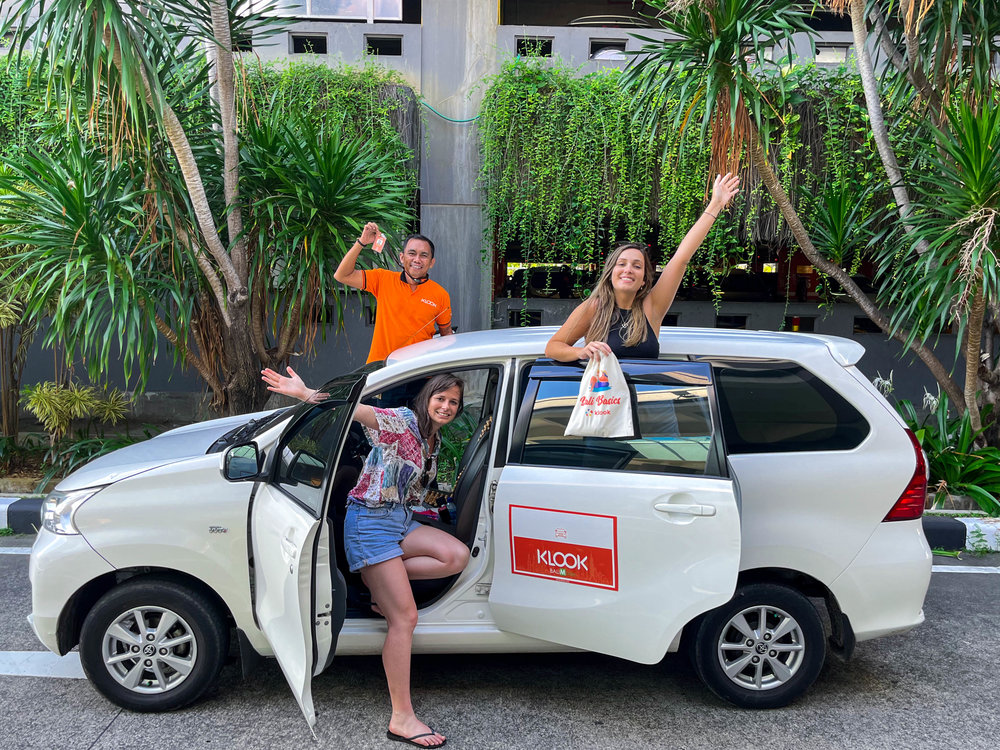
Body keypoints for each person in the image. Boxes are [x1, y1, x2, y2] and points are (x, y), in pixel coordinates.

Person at [260, 366, 469, 749]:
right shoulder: (402, 421)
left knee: (455, 556)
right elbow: (352, 409)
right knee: (404, 619)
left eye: (453, 402)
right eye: (441, 398)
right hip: (369, 523)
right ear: (427, 398)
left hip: (399, 520)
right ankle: (401, 717)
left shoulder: (432, 439)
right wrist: (305, 393)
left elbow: (410, 486)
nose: (446, 406)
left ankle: (382, 585)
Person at [545, 172, 741, 362]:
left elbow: (681, 259)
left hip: (646, 387)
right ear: (610, 273)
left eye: (637, 266)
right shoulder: (595, 307)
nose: (628, 269)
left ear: (644, 280)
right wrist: (581, 351)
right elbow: (553, 347)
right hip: (603, 386)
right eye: (621, 264)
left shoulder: (652, 306)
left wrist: (715, 205)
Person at [335, 223, 453, 363]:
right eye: (412, 253)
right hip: (383, 368)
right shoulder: (383, 279)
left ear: (431, 262)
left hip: (419, 369)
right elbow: (342, 275)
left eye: (424, 255)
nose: (417, 260)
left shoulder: (440, 294)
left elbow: (446, 335)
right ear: (402, 257)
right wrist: (362, 242)